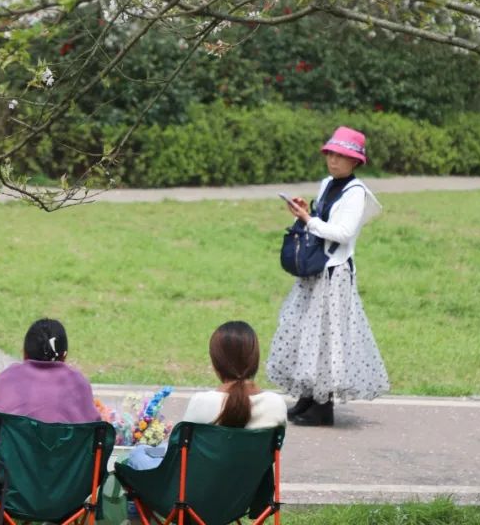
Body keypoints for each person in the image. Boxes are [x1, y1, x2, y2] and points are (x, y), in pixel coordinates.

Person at [266, 126, 389, 427]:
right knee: (304, 330)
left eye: (341, 156)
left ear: (355, 161)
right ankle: (308, 397)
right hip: (315, 271)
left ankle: (323, 406)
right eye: (331, 154)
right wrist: (305, 212)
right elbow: (323, 220)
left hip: (334, 274)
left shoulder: (356, 193)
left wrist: (309, 221)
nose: (333, 160)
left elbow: (344, 233)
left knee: (326, 337)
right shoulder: (326, 184)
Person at [126, 321, 286, 472]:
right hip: (248, 488)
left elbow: (180, 455)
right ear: (255, 360)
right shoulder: (275, 404)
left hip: (196, 487)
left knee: (138, 453)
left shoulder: (202, 402)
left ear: (216, 364)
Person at [0, 318, 100, 423]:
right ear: (64, 355)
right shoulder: (79, 383)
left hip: (14, 444)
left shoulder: (6, 379)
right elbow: (93, 425)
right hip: (65, 444)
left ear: (24, 353)